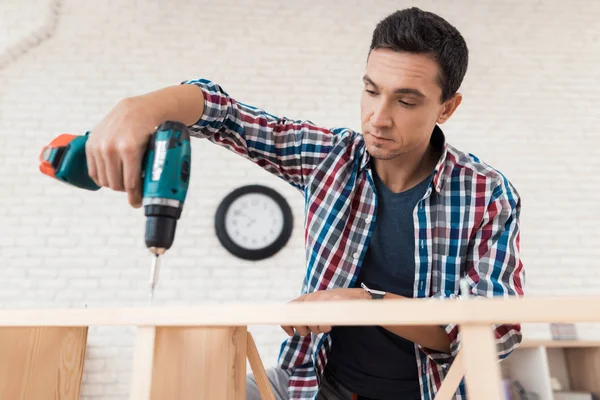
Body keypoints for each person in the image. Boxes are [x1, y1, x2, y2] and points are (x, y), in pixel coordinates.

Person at [84, 7, 524, 400]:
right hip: (310, 385)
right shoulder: (330, 158)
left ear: (447, 108)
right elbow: (224, 114)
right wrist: (139, 108)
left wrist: (365, 303)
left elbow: (496, 332)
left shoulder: (486, 193)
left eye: (406, 101)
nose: (378, 117)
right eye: (371, 91)